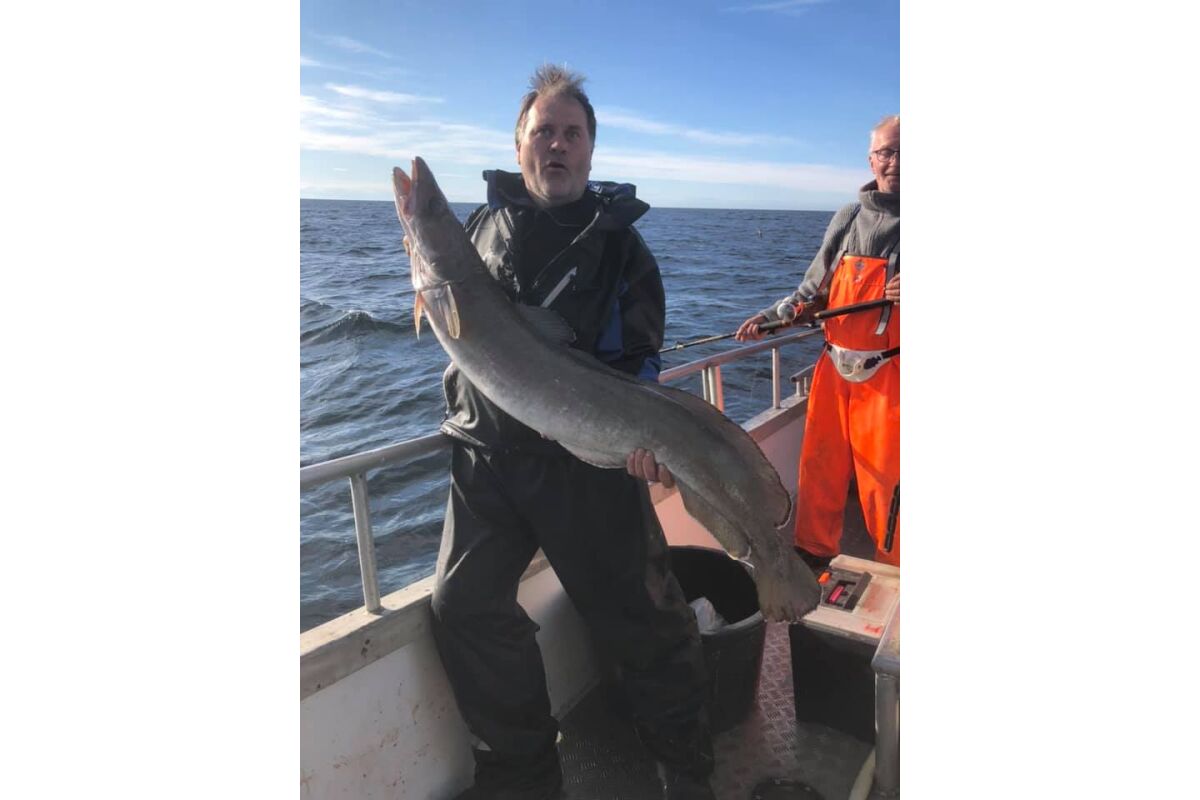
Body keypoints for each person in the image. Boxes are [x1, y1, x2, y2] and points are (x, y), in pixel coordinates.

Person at [428, 65, 716, 800]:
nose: (556, 144)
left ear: (590, 148)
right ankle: (523, 778)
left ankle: (685, 773)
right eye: (543, 131)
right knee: (462, 606)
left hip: (587, 461)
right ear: (518, 144)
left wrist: (644, 440)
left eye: (571, 133)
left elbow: (641, 361)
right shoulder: (478, 226)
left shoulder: (623, 249)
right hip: (487, 454)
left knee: (642, 621)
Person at [734, 115, 901, 571]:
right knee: (819, 466)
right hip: (834, 368)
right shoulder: (847, 217)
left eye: (906, 152)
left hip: (891, 375)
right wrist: (773, 319)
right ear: (870, 159)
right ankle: (813, 551)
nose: (895, 162)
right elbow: (813, 291)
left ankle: (895, 568)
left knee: (886, 482)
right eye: (886, 152)